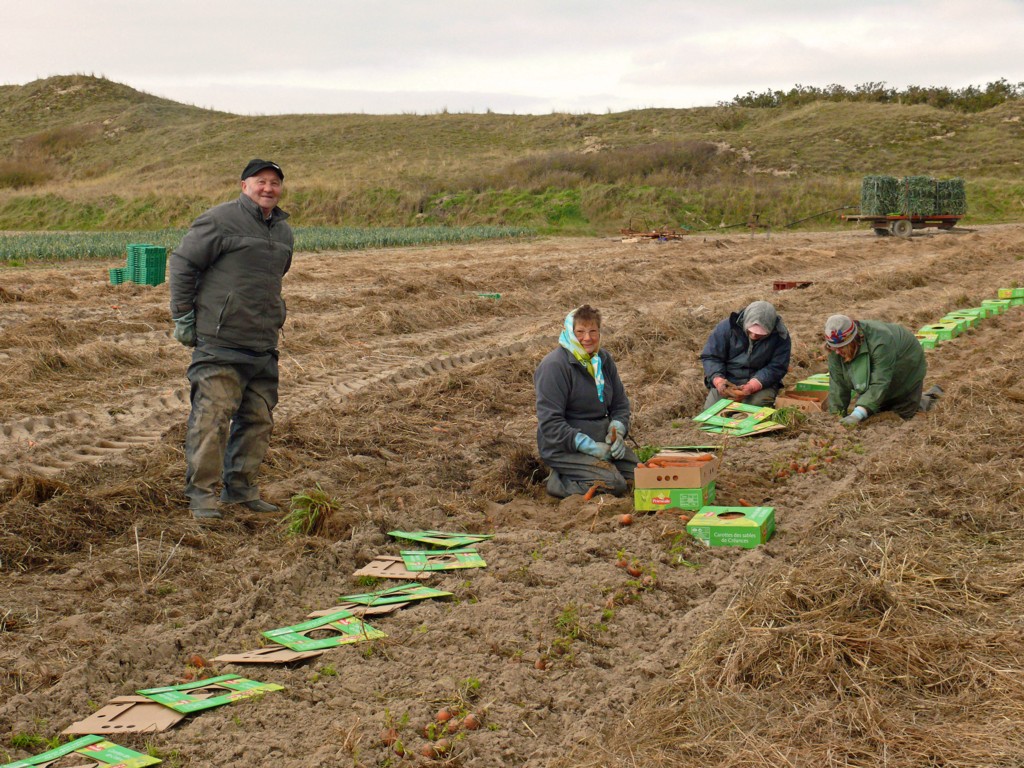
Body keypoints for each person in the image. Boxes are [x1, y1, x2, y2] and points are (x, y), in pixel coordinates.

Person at [168, 159, 294, 519]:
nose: (268, 188)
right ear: (244, 186)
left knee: (258, 420)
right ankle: (202, 497)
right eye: (260, 181)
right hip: (221, 341)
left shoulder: (283, 232)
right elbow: (182, 263)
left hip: (262, 342)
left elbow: (276, 275)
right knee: (213, 418)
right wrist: (183, 315)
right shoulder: (219, 220)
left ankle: (240, 490)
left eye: (274, 182)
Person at [534, 305, 638, 499]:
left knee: (640, 476)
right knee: (614, 484)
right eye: (580, 332)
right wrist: (589, 447)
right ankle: (558, 482)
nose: (587, 338)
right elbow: (550, 423)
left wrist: (618, 431)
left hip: (599, 437)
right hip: (564, 446)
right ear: (570, 333)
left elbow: (620, 404)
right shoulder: (554, 367)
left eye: (593, 331)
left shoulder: (603, 360)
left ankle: (591, 469)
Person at [823, 314, 940, 426]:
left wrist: (856, 415)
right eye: (834, 348)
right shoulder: (835, 346)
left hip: (905, 362)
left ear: (853, 340)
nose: (837, 351)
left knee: (902, 413)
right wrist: (836, 416)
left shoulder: (880, 341)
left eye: (842, 347)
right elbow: (838, 383)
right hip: (880, 364)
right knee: (872, 407)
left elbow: (880, 381)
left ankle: (930, 397)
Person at [700, 300, 791, 409]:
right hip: (728, 380)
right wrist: (719, 381)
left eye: (759, 334)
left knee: (755, 409)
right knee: (711, 412)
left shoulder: (780, 336)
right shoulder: (726, 327)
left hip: (761, 382)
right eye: (750, 331)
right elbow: (711, 357)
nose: (753, 336)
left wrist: (752, 386)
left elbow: (777, 366)